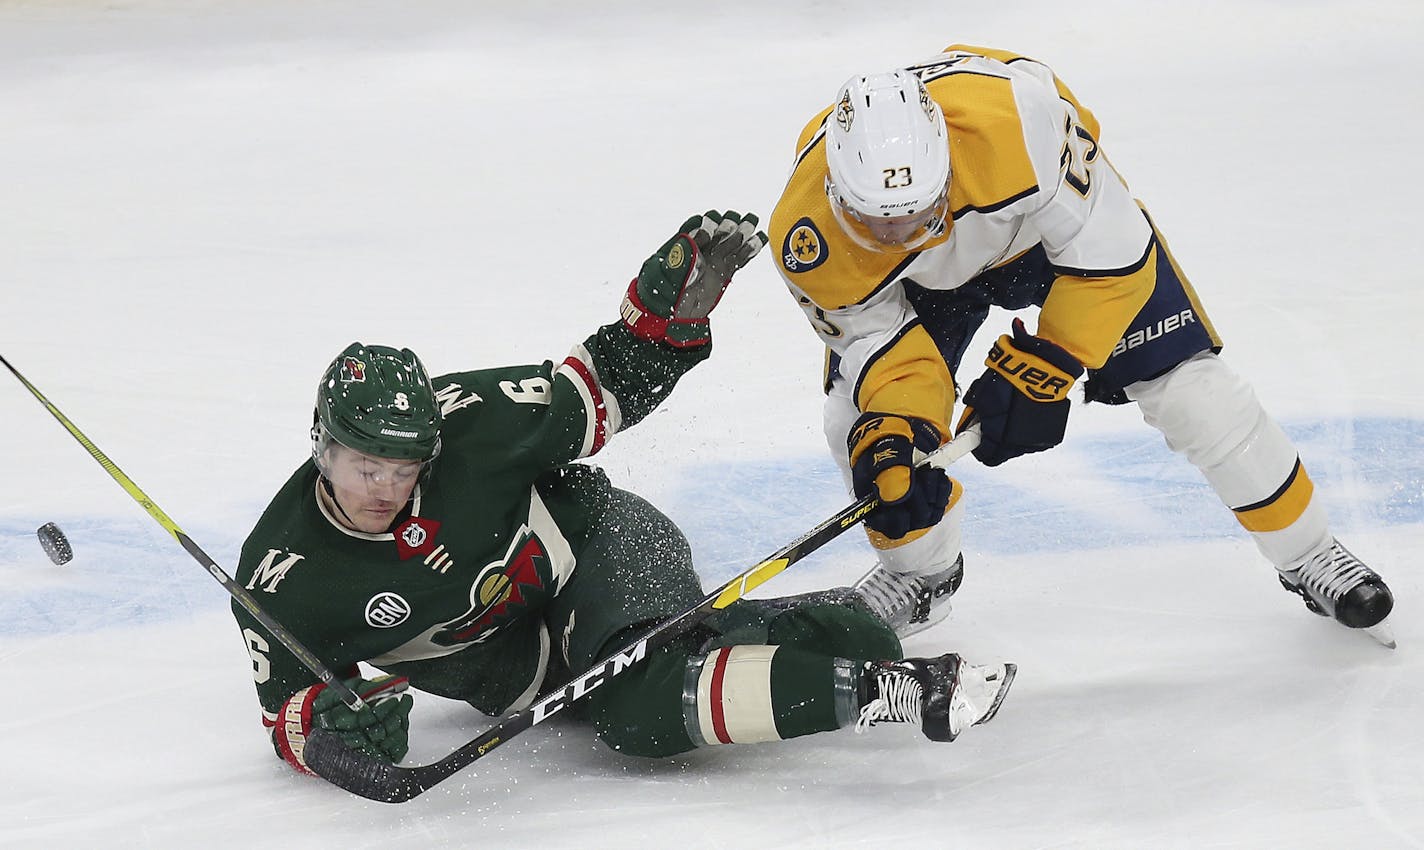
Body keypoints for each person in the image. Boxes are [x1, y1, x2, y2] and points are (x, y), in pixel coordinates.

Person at [231, 211, 1016, 778]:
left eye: (406, 470)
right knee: (681, 676)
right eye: (368, 466)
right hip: (542, 672)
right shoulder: (280, 574)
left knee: (641, 713)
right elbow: (290, 714)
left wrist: (659, 326)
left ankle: (905, 692)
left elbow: (599, 389)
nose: (389, 489)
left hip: (604, 545)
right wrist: (337, 739)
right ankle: (836, 630)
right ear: (321, 445)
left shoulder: (470, 421)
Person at [767, 45, 1395, 645]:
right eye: (880, 222)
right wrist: (903, 425)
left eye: (919, 211)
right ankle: (920, 570)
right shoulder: (805, 238)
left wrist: (1048, 366)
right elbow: (882, 343)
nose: (904, 233)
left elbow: (1115, 256)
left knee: (1195, 394)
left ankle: (1309, 552)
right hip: (920, 289)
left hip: (1046, 240)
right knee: (864, 430)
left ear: (949, 164)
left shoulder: (1020, 122)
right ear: (836, 195)